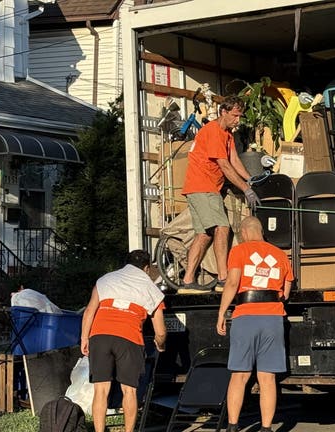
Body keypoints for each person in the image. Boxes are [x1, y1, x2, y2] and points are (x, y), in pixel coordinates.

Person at [216, 216, 293, 432]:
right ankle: (266, 428)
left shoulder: (239, 251)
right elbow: (285, 293)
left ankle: (232, 426)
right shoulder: (280, 255)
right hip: (273, 319)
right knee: (267, 378)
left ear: (244, 232)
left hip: (245, 316)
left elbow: (232, 282)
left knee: (240, 375)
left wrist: (221, 313)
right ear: (261, 231)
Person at [180, 96, 261, 294]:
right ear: (223, 112)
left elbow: (234, 160)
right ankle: (223, 278)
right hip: (203, 187)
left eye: (240, 116)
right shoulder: (214, 131)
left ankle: (188, 280)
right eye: (235, 115)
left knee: (204, 234)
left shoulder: (227, 135)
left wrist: (251, 180)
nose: (237, 120)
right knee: (222, 228)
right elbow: (224, 165)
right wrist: (246, 189)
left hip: (202, 188)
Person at [81, 250, 167, 432]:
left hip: (99, 335)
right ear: (147, 268)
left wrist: (84, 338)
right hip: (129, 337)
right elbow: (160, 331)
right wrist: (160, 345)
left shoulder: (105, 280)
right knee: (129, 390)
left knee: (100, 390)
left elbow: (89, 311)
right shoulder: (151, 289)